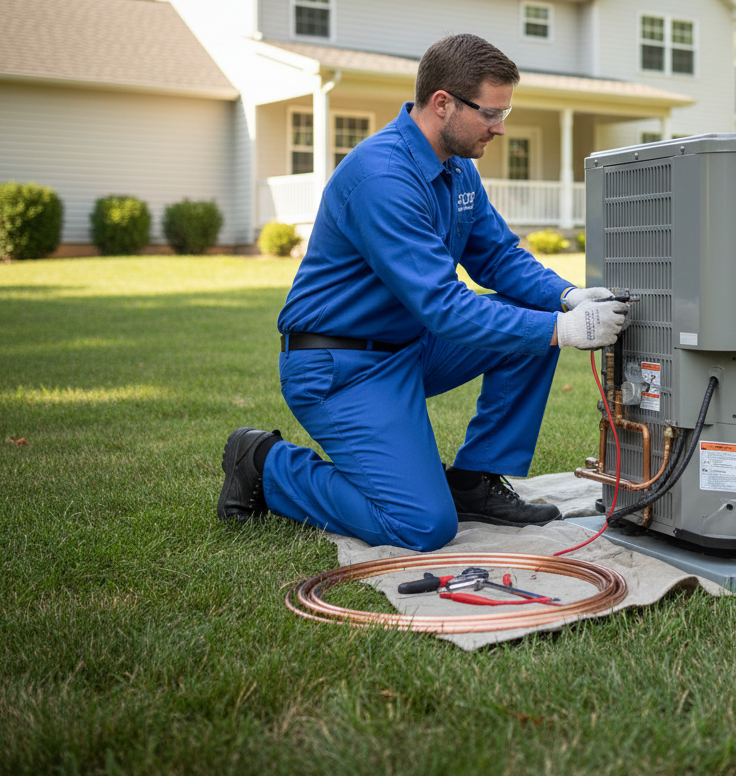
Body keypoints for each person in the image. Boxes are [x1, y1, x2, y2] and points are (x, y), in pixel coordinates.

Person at [217, 34, 628, 552]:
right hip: (342, 366)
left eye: (504, 113)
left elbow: (498, 256)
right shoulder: (383, 177)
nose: (500, 128)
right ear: (442, 103)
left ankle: (475, 482)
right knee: (421, 525)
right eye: (491, 113)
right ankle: (266, 464)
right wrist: (562, 329)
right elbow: (443, 306)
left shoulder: (457, 168)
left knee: (533, 314)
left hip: (409, 347)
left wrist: (567, 297)